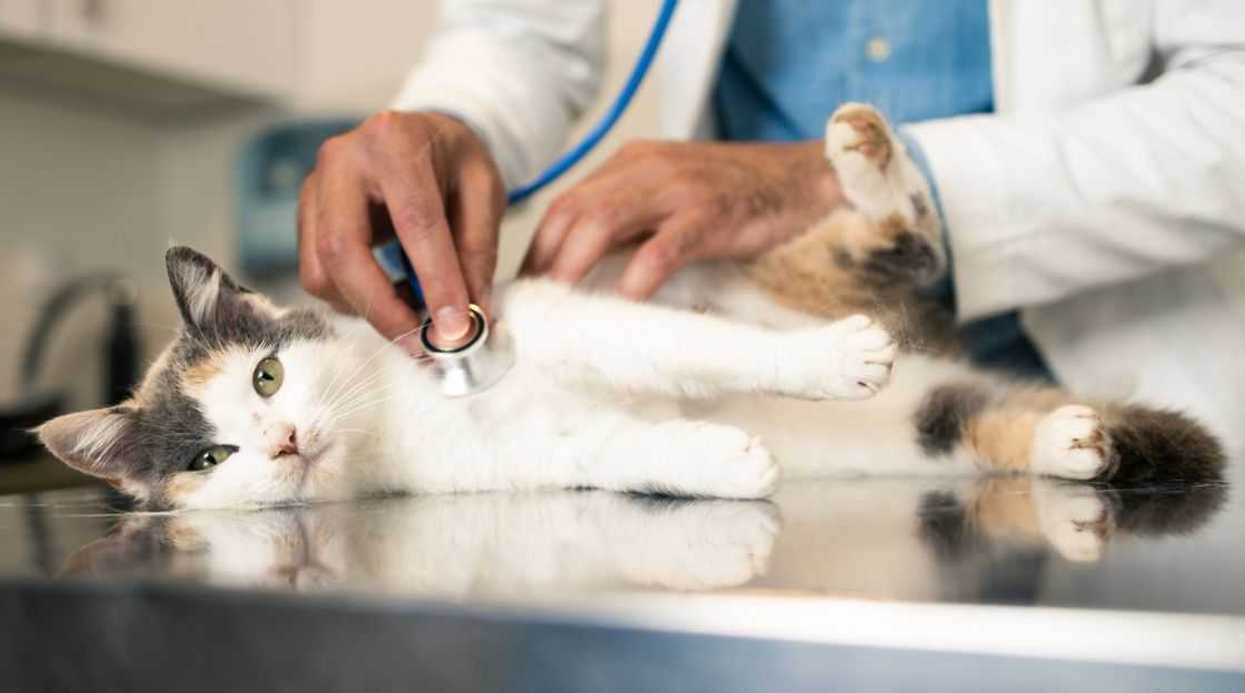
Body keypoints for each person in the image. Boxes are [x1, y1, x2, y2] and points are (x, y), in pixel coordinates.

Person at [297, 1, 1245, 432]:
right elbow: (518, 34)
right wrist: (453, 121)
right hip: (763, 403)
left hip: (1097, 376)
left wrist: (835, 181)